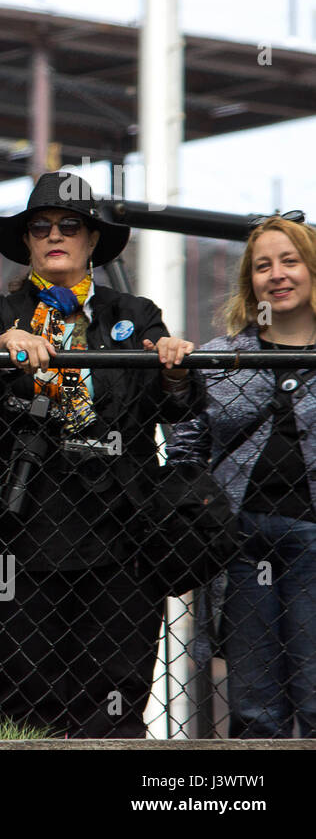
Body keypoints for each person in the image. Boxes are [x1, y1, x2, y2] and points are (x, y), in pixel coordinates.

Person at [0, 170, 198, 737]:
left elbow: (175, 412)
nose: (54, 234)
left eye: (71, 225)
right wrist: (0, 344)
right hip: (16, 540)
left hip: (119, 539)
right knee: (17, 709)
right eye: (39, 227)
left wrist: (173, 372)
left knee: (113, 707)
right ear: (26, 242)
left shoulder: (134, 313)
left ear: (93, 240)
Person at [166, 215, 316, 737]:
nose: (277, 275)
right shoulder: (219, 357)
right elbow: (186, 442)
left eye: (290, 261)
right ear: (249, 283)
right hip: (241, 542)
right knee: (255, 713)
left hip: (314, 543)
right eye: (262, 266)